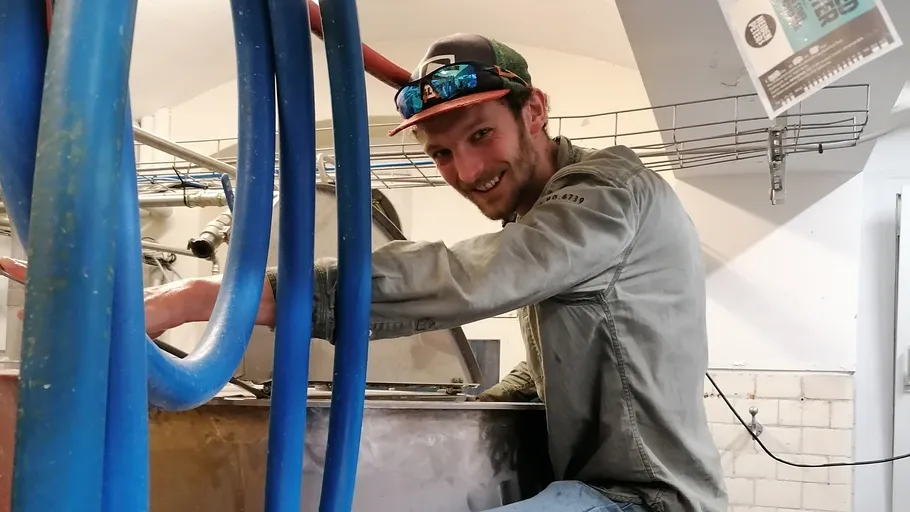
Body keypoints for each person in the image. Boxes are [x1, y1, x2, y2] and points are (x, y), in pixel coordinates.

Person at [0, 34, 727, 512]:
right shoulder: (543, 220)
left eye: (481, 136)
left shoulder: (606, 193)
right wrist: (459, 407)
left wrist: (213, 296)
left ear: (533, 110)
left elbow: (473, 277)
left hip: (646, 499)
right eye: (443, 155)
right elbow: (555, 375)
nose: (468, 171)